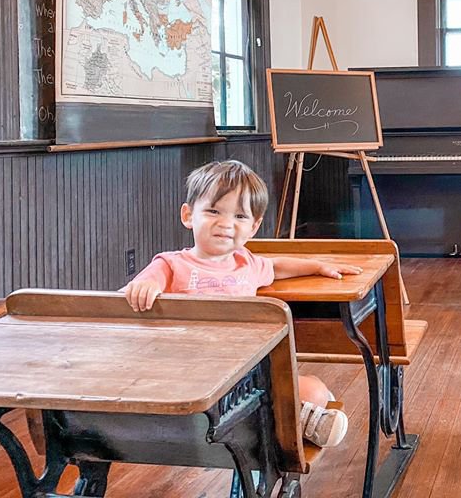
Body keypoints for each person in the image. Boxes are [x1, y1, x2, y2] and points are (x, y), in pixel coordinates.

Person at [122, 159, 362, 448]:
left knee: (315, 389)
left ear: (254, 227)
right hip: (192, 376)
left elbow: (278, 267)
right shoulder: (171, 264)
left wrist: (316, 265)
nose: (225, 223)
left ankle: (297, 415)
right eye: (213, 211)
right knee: (302, 396)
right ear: (188, 215)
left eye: (239, 216)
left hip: (246, 374)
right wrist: (145, 285)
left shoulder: (246, 262)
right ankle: (297, 420)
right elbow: (143, 285)